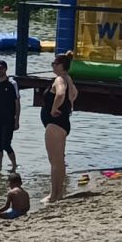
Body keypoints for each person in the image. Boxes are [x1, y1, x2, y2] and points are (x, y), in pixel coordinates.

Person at [42, 51, 79, 203]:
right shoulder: (69, 79)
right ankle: (60, 193)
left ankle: (53, 195)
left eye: (54, 64)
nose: (52, 66)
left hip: (55, 125)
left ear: (61, 66)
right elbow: (74, 94)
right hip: (63, 124)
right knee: (60, 161)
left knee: (54, 161)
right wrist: (68, 106)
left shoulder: (59, 79)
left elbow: (61, 94)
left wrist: (53, 109)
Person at [0, 59, 21, 172]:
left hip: (9, 118)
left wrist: (17, 120)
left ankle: (14, 165)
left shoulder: (12, 83)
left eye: (1, 68)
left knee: (6, 143)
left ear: (5, 69)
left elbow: (17, 102)